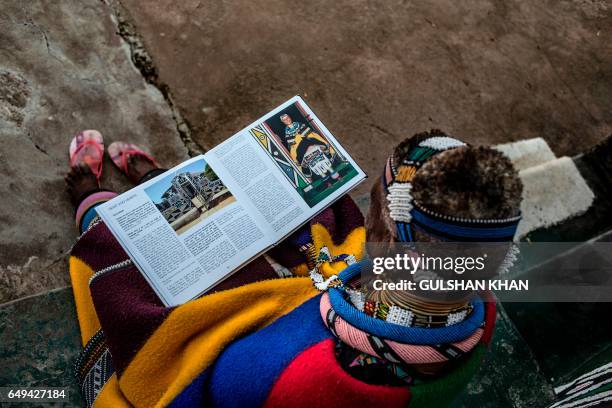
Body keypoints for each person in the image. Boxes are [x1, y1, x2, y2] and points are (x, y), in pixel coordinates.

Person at [66, 129, 522, 407]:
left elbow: (208, 388)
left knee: (118, 255)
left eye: (376, 198)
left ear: (381, 234)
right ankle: (152, 187)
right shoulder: (481, 317)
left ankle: (96, 205)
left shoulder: (277, 371)